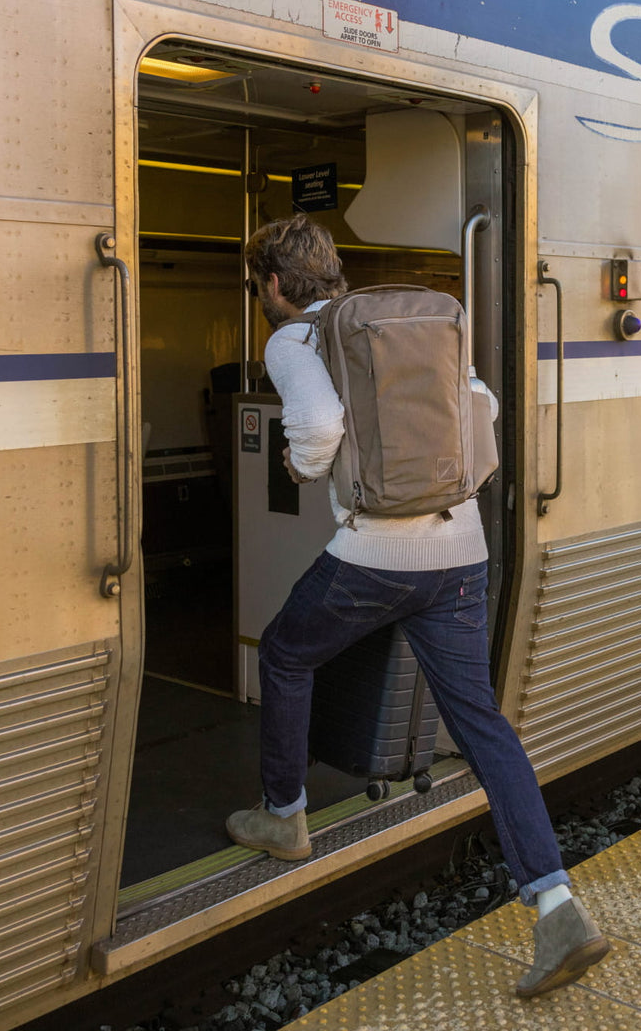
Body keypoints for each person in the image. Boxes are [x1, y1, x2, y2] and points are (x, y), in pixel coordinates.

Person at [227, 214, 610, 998]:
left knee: (286, 651)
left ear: (271, 283)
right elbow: (487, 410)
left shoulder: (292, 341)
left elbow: (319, 426)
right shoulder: (408, 323)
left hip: (374, 557)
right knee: (481, 724)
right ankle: (557, 905)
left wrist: (306, 469)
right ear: (332, 271)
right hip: (460, 552)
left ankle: (284, 812)